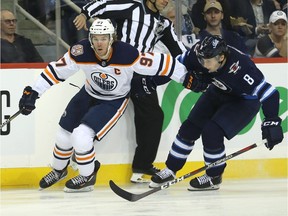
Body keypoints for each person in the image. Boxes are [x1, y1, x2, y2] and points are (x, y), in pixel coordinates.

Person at [18, 18, 189, 192]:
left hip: (113, 100)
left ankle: (87, 176)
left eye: (104, 38)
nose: (99, 43)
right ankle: (58, 170)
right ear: (90, 39)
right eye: (96, 38)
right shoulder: (81, 51)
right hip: (88, 94)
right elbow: (56, 70)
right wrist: (33, 92)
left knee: (81, 136)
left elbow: (164, 63)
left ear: (112, 38)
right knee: (63, 134)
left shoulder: (127, 55)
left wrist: (187, 77)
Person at [149, 35, 284, 190]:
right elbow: (174, 66)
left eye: (207, 61)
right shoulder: (199, 55)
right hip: (218, 91)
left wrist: (272, 121)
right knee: (189, 127)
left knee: (212, 132)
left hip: (244, 101)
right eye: (201, 60)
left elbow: (270, 93)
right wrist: (152, 81)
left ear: (221, 57)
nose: (202, 64)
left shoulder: (242, 68)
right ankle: (171, 169)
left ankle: (214, 176)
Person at [73, 0, 187, 183]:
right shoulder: (133, 7)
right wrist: (84, 13)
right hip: (116, 69)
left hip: (139, 75)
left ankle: (141, 166)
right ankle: (79, 151)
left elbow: (179, 51)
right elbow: (104, 5)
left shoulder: (163, 24)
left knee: (153, 116)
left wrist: (197, 64)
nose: (165, 1)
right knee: (99, 107)